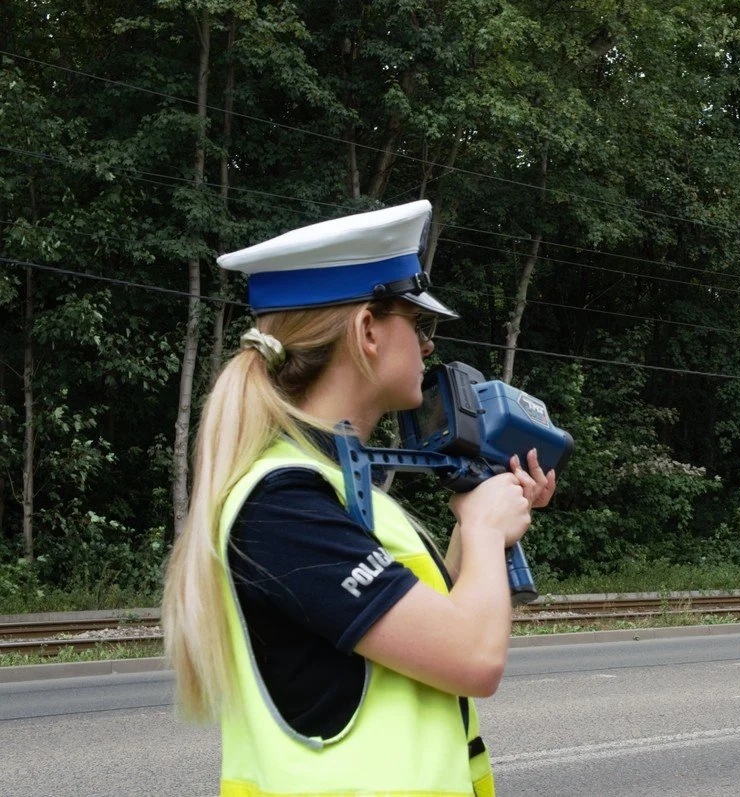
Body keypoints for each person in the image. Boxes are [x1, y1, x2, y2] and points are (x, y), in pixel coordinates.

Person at [162, 200, 556, 797]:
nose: (428, 349)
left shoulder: (332, 488)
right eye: (419, 326)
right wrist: (480, 531)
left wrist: (484, 528)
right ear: (368, 330)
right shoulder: (283, 504)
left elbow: (414, 636)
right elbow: (473, 656)